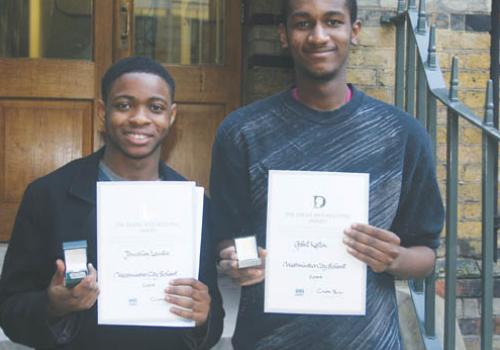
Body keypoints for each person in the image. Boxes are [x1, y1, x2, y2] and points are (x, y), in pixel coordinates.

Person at [209, 0, 444, 349]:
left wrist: (394, 258)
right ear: (284, 35)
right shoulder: (243, 132)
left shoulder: (401, 135)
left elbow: (425, 253)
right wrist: (242, 261)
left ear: (355, 31)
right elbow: (228, 234)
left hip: (369, 341)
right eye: (303, 23)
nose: (319, 36)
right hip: (268, 340)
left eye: (333, 21)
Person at [0, 56, 223, 350]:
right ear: (102, 112)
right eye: (124, 105)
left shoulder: (193, 205)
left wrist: (202, 316)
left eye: (155, 107)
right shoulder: (47, 196)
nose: (140, 118)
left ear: (171, 116)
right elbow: (10, 310)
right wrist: (53, 305)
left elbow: (212, 316)